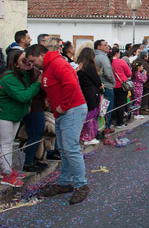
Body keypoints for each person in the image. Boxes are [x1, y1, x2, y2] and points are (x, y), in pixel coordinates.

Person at [26, 44, 90, 204]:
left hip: (72, 109)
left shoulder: (57, 64)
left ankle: (81, 185)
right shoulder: (49, 67)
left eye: (33, 61)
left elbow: (71, 84)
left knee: (71, 148)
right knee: (64, 148)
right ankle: (64, 183)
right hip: (64, 111)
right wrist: (52, 100)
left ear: (41, 55)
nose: (33, 65)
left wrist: (64, 105)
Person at [0, 51, 41, 187]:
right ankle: (6, 173)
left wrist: (27, 105)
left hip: (15, 114)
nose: (28, 61)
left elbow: (26, 95)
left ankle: (7, 169)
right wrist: (38, 83)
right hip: (5, 115)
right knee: (6, 144)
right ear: (16, 64)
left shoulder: (25, 76)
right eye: (24, 60)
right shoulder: (9, 78)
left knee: (8, 143)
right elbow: (23, 95)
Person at [76, 48, 102, 146]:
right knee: (91, 117)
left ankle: (85, 136)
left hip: (84, 93)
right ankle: (88, 137)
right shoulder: (90, 66)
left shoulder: (80, 66)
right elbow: (97, 80)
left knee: (87, 117)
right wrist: (100, 86)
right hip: (92, 94)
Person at [94, 40, 116, 134]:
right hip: (106, 85)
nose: (108, 46)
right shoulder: (102, 57)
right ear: (99, 47)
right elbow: (108, 71)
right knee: (106, 108)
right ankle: (106, 127)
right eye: (105, 45)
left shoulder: (95, 56)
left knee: (102, 108)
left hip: (100, 85)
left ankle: (102, 127)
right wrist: (113, 81)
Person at [110, 47, 132, 129]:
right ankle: (120, 122)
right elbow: (129, 73)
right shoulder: (121, 62)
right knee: (121, 104)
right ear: (117, 53)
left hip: (111, 86)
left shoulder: (109, 61)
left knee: (113, 104)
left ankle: (112, 120)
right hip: (121, 85)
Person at [134, 51, 149, 116]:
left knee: (137, 99)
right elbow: (148, 75)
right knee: (142, 98)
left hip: (136, 85)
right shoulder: (145, 64)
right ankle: (140, 110)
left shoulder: (135, 61)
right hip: (142, 85)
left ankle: (138, 110)